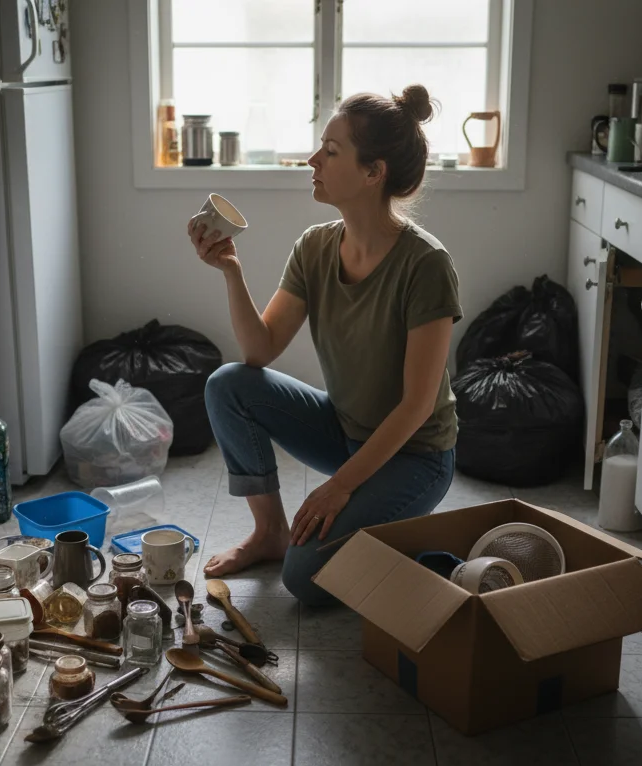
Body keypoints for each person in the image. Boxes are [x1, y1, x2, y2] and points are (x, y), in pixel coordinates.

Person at [186, 84, 463, 605]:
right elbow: (259, 351)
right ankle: (269, 531)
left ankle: (407, 544)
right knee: (228, 385)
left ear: (373, 172)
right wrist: (230, 271)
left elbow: (416, 406)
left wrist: (339, 487)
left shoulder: (426, 265)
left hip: (416, 456)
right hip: (345, 430)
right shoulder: (314, 247)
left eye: (331, 152)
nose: (313, 160)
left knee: (303, 578)